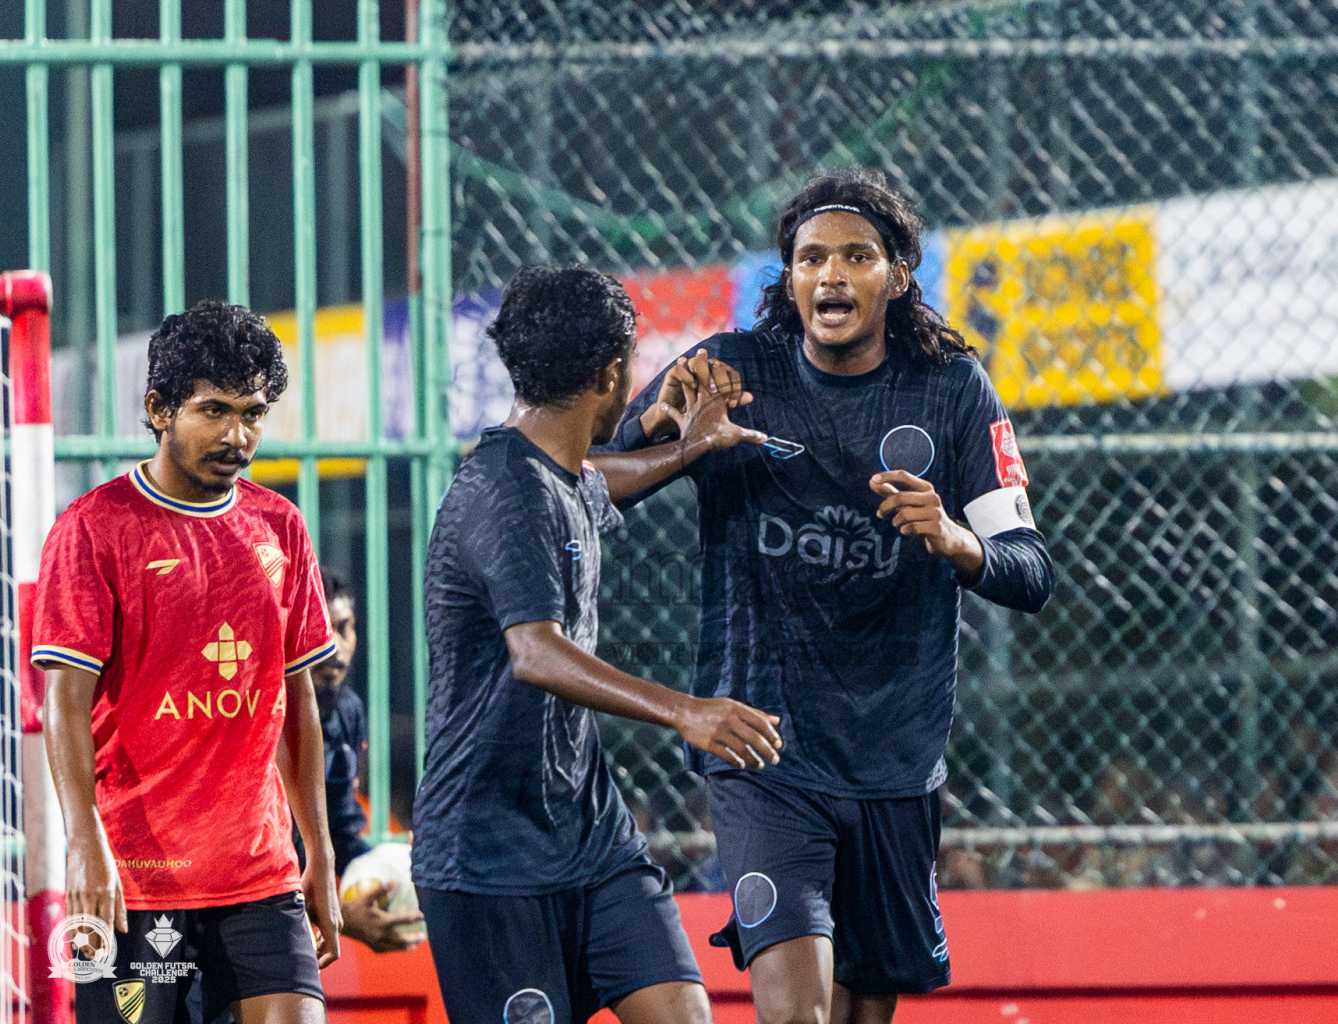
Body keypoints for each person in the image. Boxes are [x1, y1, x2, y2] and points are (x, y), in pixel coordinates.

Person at [597, 167, 1055, 1023]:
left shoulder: (952, 389)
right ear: (790, 276)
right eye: (811, 258)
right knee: (797, 1014)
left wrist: (953, 537)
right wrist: (661, 429)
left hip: (894, 755)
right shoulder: (729, 370)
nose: (831, 275)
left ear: (898, 275)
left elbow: (1030, 570)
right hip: (763, 746)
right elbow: (586, 482)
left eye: (855, 257)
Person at [410, 265, 783, 1024]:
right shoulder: (504, 492)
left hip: (590, 836)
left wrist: (688, 446)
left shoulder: (553, 472)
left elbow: (598, 482)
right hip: (486, 854)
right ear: (612, 373)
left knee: (684, 1014)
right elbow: (535, 652)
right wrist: (686, 711)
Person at [31, 300, 341, 1024]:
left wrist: (321, 855)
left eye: (253, 414)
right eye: (214, 411)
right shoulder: (93, 529)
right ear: (158, 409)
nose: (238, 436)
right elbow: (64, 704)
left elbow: (297, 702)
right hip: (134, 880)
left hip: (260, 876)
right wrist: (84, 842)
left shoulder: (280, 527)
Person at [305, 566, 426, 953]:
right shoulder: (263, 713)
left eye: (344, 629)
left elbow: (340, 832)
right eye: (320, 630)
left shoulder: (348, 712)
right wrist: (336, 914)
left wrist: (409, 868)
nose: (334, 646)